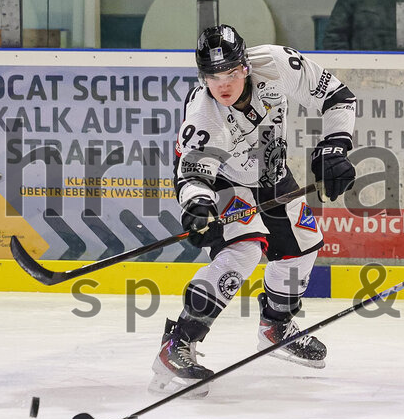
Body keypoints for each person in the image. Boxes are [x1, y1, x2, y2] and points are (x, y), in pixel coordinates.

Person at [150, 24, 357, 396]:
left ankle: (274, 327)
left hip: (271, 173)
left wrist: (334, 147)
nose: (223, 85)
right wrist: (198, 206)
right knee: (245, 249)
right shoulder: (204, 115)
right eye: (213, 77)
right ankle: (177, 344)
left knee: (305, 243)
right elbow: (191, 174)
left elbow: (338, 96)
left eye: (230, 72)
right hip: (222, 181)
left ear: (245, 66)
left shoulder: (277, 64)